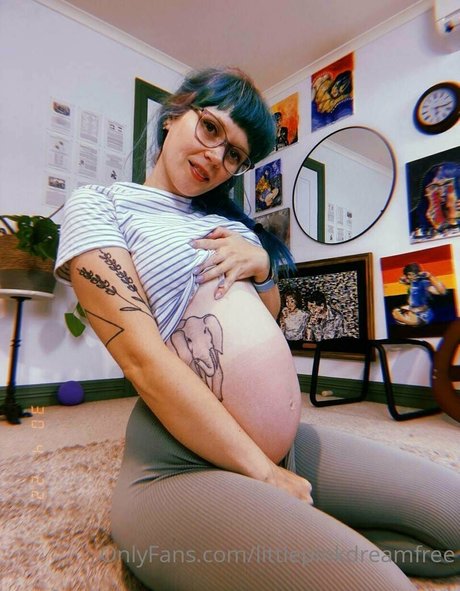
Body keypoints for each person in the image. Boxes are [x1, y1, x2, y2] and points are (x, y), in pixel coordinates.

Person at [55, 67, 459, 591]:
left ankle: (325, 541)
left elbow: (268, 316)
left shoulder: (223, 220)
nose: (215, 157)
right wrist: (264, 475)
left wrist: (262, 265)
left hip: (282, 445)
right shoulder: (100, 205)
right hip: (179, 463)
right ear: (175, 114)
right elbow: (141, 359)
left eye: (234, 155)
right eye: (211, 128)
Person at [392, 262, 446, 326]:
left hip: (423, 315)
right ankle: (405, 318)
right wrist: (405, 281)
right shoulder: (412, 282)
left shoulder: (423, 283)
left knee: (398, 315)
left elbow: (442, 291)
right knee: (395, 312)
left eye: (413, 274)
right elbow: (402, 280)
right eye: (409, 275)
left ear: (418, 274)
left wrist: (430, 276)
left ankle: (405, 319)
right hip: (415, 311)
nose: (411, 277)